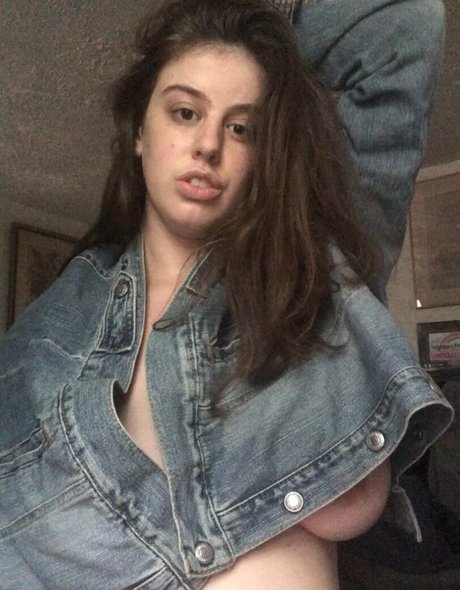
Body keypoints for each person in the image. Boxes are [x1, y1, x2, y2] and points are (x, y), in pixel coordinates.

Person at [0, 1, 452, 589]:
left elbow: (403, 25)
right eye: (185, 112)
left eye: (242, 128)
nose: (208, 144)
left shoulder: (312, 264)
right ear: (140, 132)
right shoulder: (68, 310)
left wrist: (267, 37)